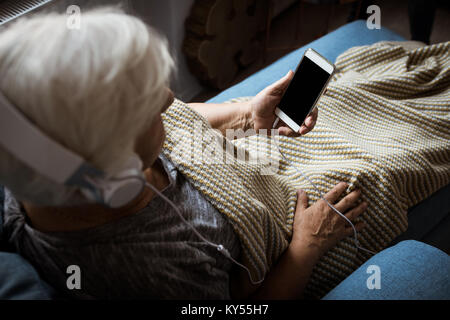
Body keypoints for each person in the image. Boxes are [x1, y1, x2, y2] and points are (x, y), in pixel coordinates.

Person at [0, 8, 366, 299]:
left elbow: (178, 121)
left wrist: (248, 115)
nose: (168, 99)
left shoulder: (32, 149)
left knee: (354, 89)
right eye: (148, 110)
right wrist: (306, 247)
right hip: (292, 219)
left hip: (244, 158)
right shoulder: (155, 272)